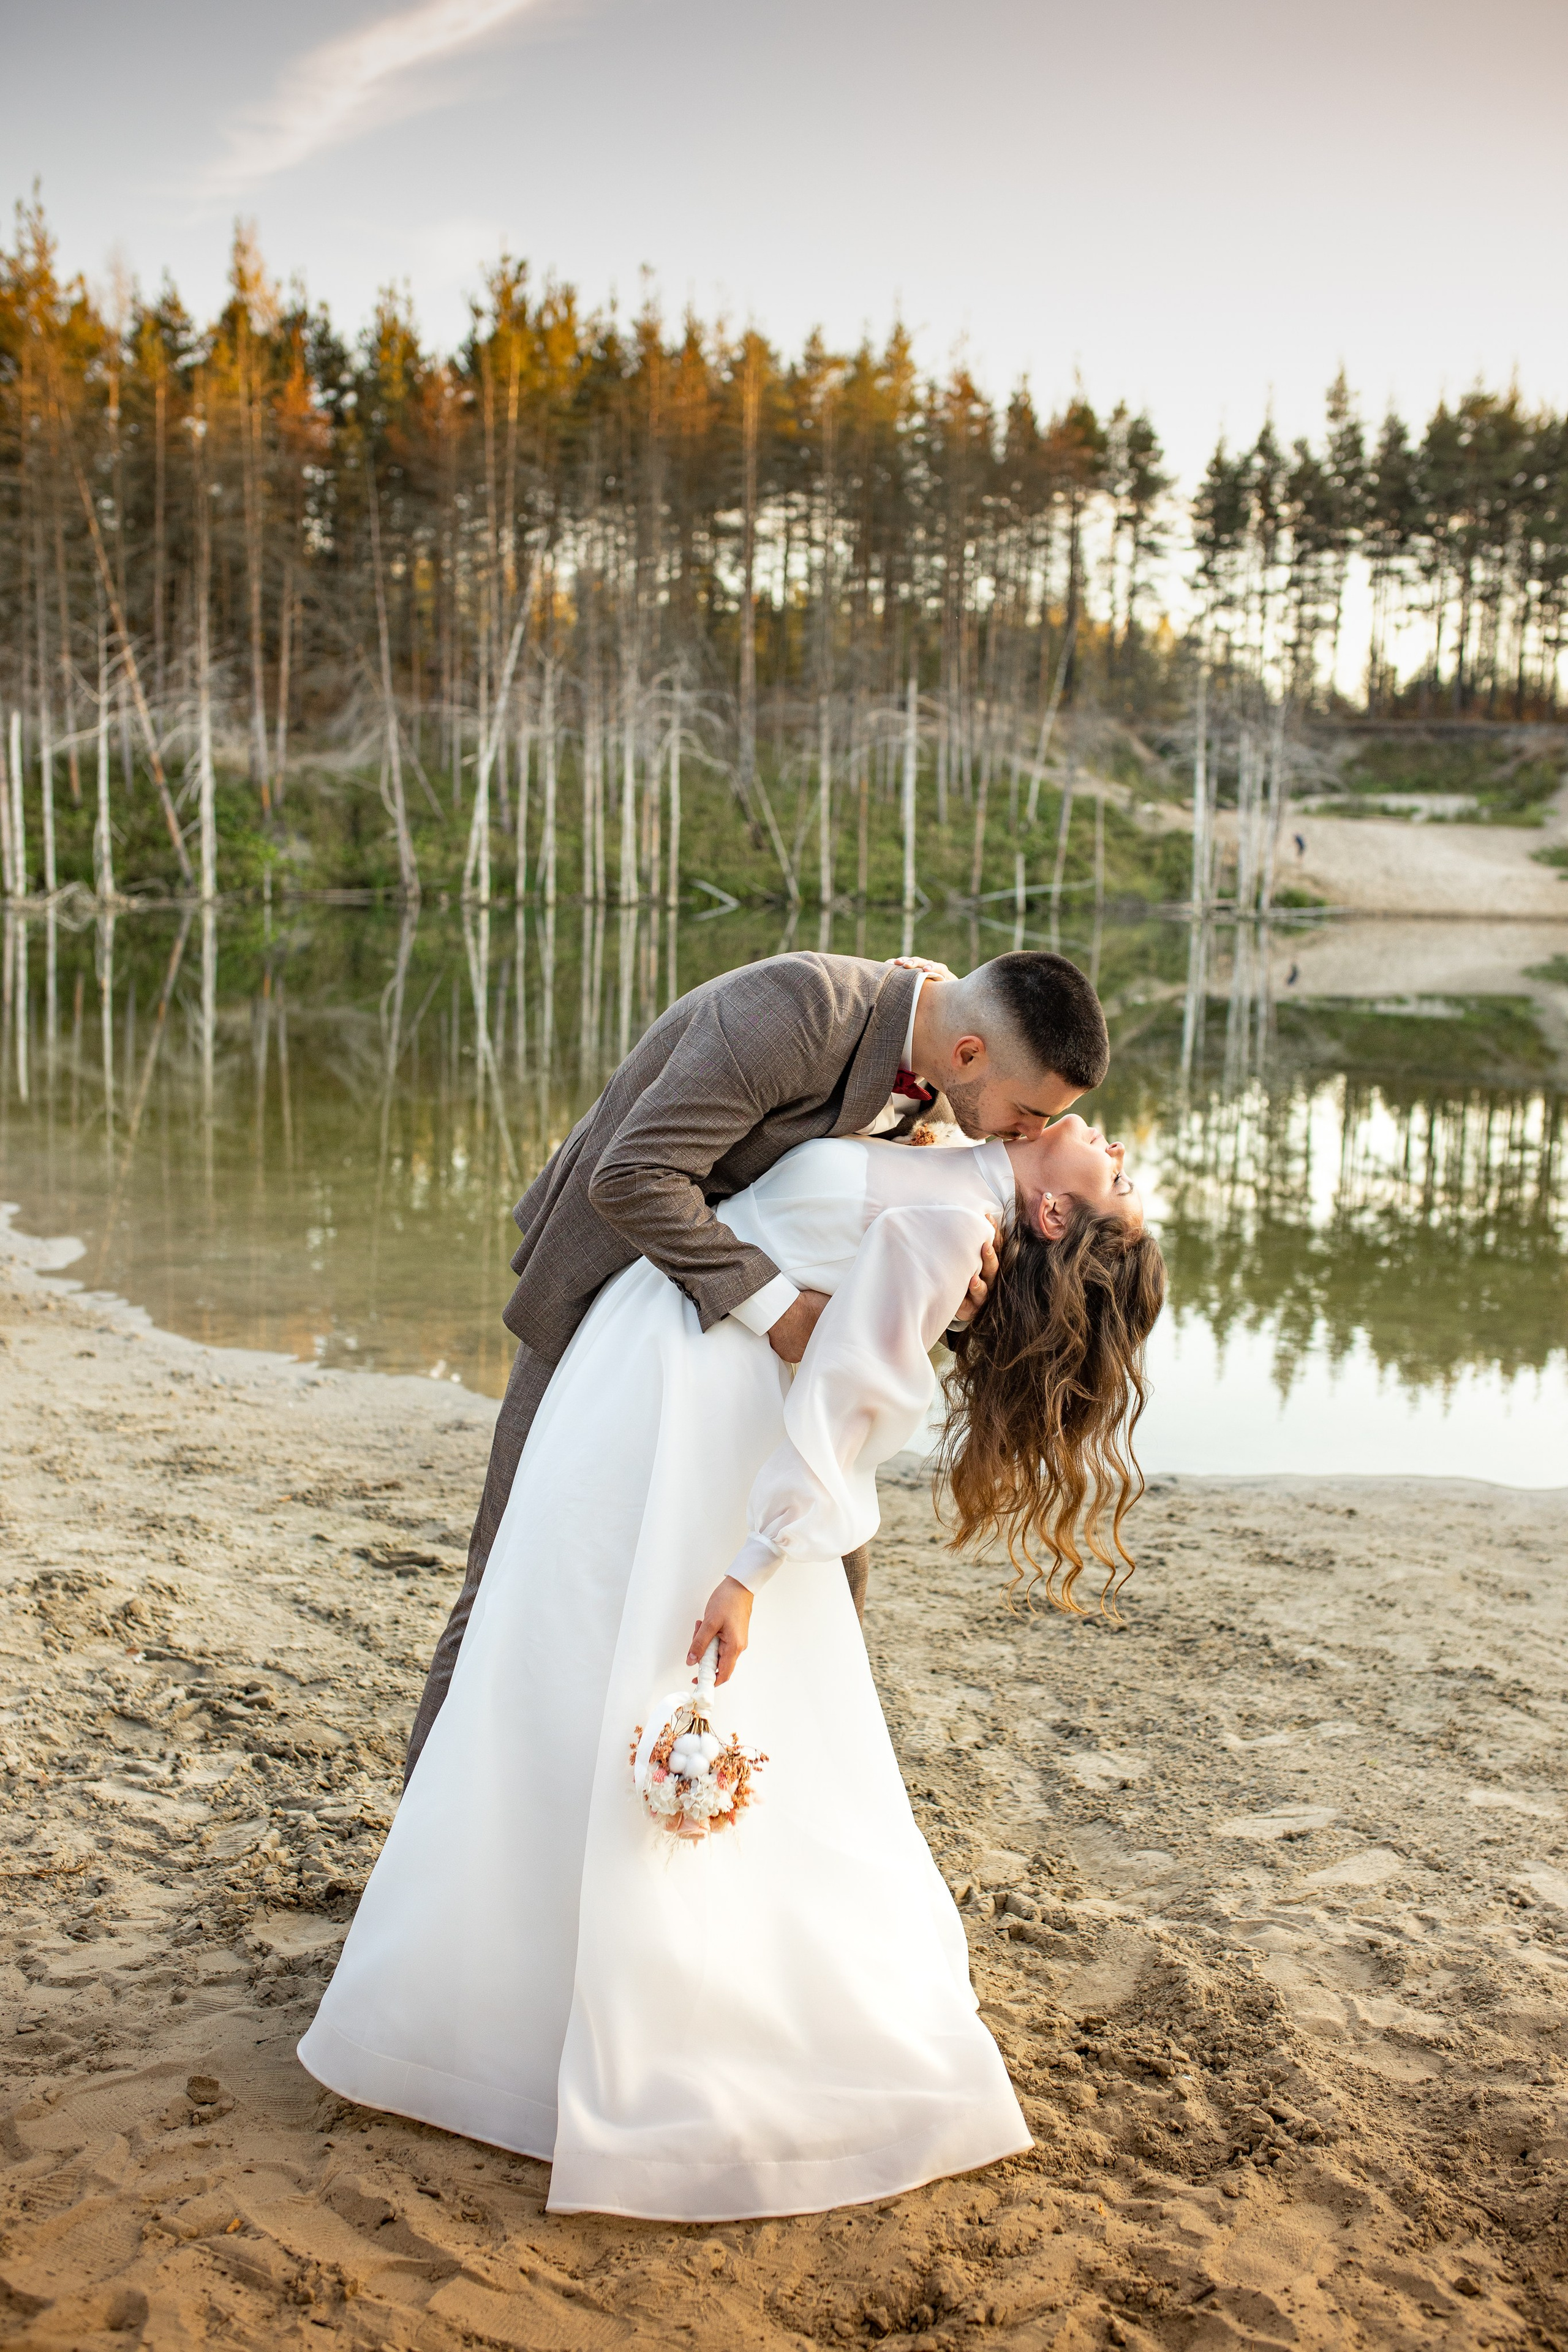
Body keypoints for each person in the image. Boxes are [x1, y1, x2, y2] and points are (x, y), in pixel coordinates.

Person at [298, 1112, 1165, 2222]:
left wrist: (753, 1566)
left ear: (1054, 1213)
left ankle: (661, 2010)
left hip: (699, 1423)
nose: (1112, 1143)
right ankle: (517, 1998)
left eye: (1119, 1179)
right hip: (642, 1384)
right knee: (561, 1666)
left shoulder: (957, 1226)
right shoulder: (957, 1159)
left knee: (652, 1689)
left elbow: (845, 1404)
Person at [403, 949, 1112, 1780]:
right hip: (616, 1293)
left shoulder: (936, 1051)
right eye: (1027, 1112)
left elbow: (874, 1200)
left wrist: (946, 1286)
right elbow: (630, 1176)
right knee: (509, 1566)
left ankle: (762, 1799)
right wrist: (783, 1313)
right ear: (967, 1055)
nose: (1031, 1133)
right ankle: (433, 1824)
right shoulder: (796, 1011)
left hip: (728, 1349)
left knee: (830, 1587)